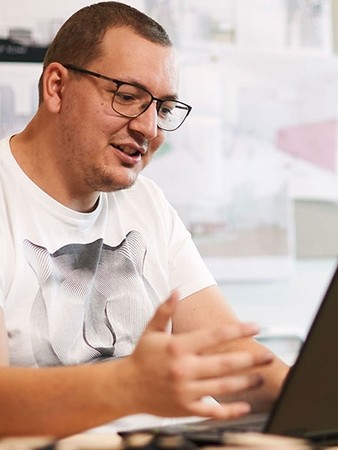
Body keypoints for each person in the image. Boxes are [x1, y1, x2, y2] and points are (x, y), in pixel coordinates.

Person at [0, 1, 289, 437]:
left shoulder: (147, 202)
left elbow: (226, 350)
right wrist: (127, 386)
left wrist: (330, 401)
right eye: (128, 97)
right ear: (56, 87)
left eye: (164, 109)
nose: (150, 128)